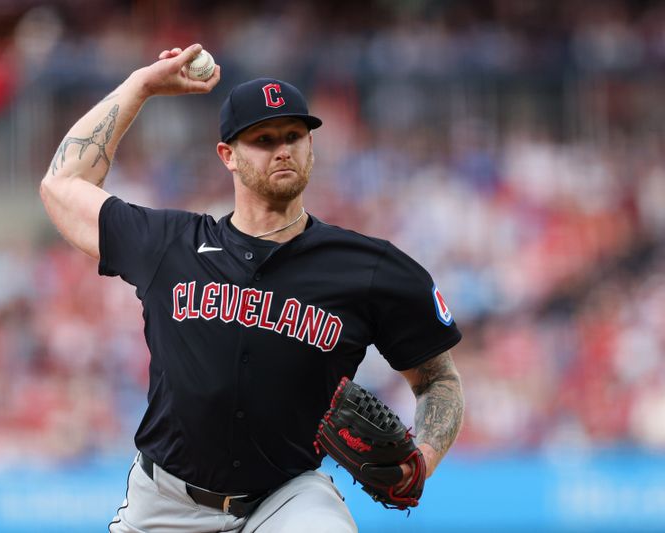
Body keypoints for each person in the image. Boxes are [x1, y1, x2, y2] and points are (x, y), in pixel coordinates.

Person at [40, 44, 465, 533]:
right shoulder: (170, 245)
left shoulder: (369, 267)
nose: (282, 148)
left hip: (287, 498)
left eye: (294, 135)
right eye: (263, 139)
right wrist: (143, 85)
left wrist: (424, 459)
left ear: (311, 146)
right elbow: (62, 183)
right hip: (165, 503)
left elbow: (438, 378)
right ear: (228, 155)